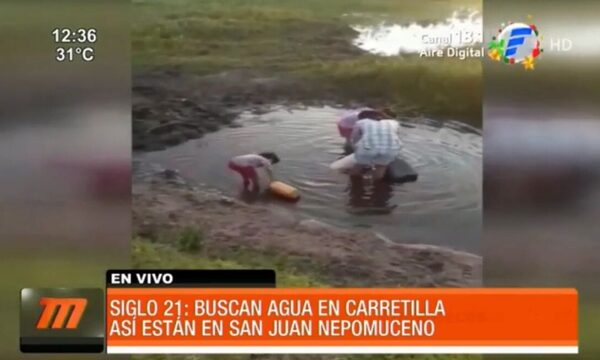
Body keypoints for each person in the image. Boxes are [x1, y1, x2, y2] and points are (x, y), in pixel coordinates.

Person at [350, 111, 402, 180]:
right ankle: (375, 185)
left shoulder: (361, 122)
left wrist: (355, 150)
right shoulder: (394, 123)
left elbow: (355, 138)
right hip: (391, 149)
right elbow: (396, 136)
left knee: (359, 165)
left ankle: (355, 183)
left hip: (367, 148)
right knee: (381, 167)